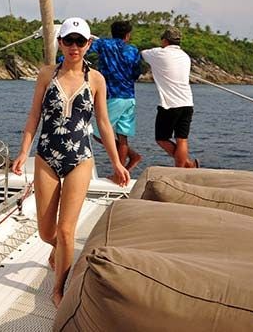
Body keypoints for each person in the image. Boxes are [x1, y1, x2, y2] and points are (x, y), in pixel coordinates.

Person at [11, 17, 130, 308]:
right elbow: (33, 117)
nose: (74, 47)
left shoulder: (96, 79)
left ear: (89, 44)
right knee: (46, 232)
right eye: (69, 40)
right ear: (60, 43)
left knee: (66, 230)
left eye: (80, 41)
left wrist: (116, 162)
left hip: (80, 158)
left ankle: (59, 288)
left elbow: (103, 123)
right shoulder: (46, 75)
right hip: (46, 156)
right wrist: (23, 152)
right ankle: (61, 251)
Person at [89, 20, 144, 173]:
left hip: (112, 96)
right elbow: (136, 73)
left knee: (98, 134)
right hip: (130, 97)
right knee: (123, 136)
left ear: (112, 32)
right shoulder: (133, 50)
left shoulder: (104, 44)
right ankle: (120, 172)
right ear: (128, 35)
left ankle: (130, 158)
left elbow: (84, 49)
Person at [141, 27, 199, 168]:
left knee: (161, 139)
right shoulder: (185, 57)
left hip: (170, 105)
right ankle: (186, 166)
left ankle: (184, 166)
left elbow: (142, 53)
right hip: (187, 102)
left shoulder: (159, 53)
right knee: (182, 140)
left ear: (165, 40)